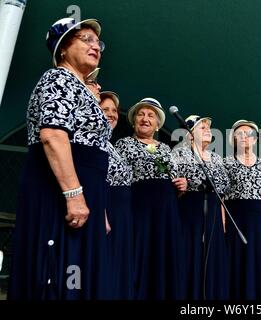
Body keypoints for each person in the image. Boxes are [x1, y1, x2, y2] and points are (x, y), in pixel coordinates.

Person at [8, 17, 110, 299]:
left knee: (79, 275)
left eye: (97, 42)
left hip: (85, 196)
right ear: (63, 49)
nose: (96, 46)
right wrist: (74, 195)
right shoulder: (58, 78)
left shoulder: (81, 88)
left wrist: (97, 206)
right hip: (60, 197)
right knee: (61, 275)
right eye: (85, 39)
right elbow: (53, 136)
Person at [114, 97, 187, 299]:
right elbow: (118, 178)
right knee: (140, 253)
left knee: (162, 256)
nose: (145, 119)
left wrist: (182, 184)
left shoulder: (164, 149)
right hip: (139, 206)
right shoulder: (123, 144)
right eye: (141, 114)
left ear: (157, 125)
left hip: (166, 211)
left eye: (150, 115)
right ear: (133, 120)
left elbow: (173, 177)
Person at [172, 115, 229, 300]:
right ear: (189, 134)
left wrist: (223, 219)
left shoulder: (216, 157)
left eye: (208, 127)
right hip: (189, 210)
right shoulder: (180, 153)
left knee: (213, 259)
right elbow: (172, 183)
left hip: (213, 212)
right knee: (190, 256)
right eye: (201, 127)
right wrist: (182, 185)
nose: (208, 130)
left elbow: (222, 191)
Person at [223, 120, 261, 300]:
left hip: (258, 217)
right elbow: (221, 196)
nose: (245, 137)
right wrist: (223, 221)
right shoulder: (226, 162)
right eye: (240, 134)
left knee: (259, 257)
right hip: (234, 216)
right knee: (237, 258)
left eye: (249, 134)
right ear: (234, 140)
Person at [99, 91, 134, 299]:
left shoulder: (111, 145)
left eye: (114, 111)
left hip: (122, 215)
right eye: (105, 109)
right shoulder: (94, 142)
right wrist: (102, 215)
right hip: (106, 212)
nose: (111, 114)